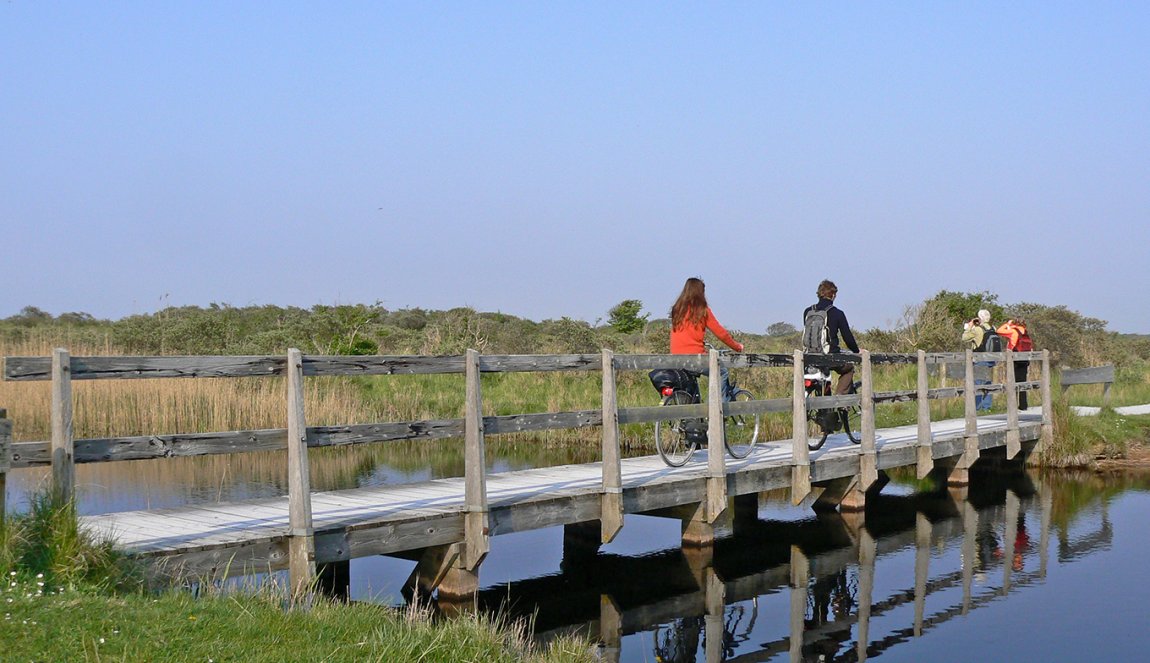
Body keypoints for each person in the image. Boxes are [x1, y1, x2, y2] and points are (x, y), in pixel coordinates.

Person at [670, 277, 744, 401]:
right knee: (722, 371)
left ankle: (696, 413)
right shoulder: (702, 311)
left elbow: (684, 333)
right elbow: (721, 333)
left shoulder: (677, 310)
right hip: (695, 358)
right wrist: (737, 346)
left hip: (675, 359)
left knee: (692, 383)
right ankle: (718, 410)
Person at [803, 279, 859, 395]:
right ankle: (840, 401)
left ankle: (822, 405)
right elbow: (848, 338)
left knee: (821, 371)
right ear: (833, 295)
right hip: (829, 355)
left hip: (810, 356)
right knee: (849, 367)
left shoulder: (808, 311)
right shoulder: (837, 313)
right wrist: (857, 351)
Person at [962, 309, 995, 411]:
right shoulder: (992, 328)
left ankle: (976, 407)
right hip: (991, 359)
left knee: (977, 383)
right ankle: (987, 407)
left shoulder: (977, 329)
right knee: (987, 383)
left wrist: (969, 327)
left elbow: (964, 338)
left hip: (980, 358)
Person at [997, 318, 1033, 410]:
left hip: (1014, 359)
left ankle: (1012, 404)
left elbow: (999, 331)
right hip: (1024, 359)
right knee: (1022, 381)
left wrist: (1007, 324)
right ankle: (1023, 405)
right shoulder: (1025, 332)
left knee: (1012, 381)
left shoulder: (1013, 331)